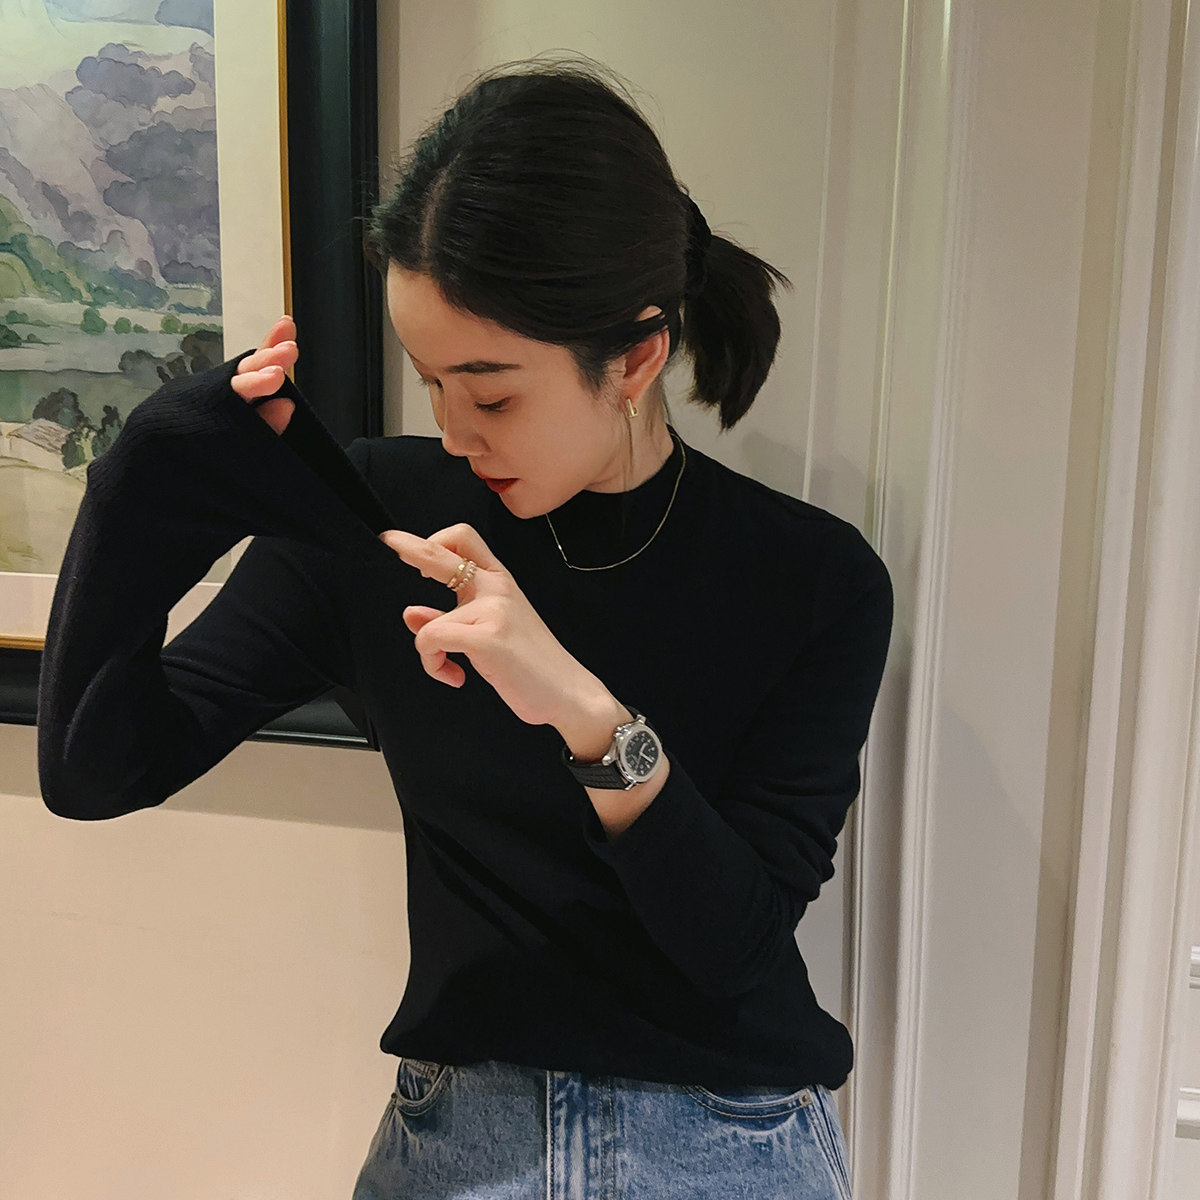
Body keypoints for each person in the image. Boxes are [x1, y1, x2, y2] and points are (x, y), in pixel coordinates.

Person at [38, 58, 891, 1200]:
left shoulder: (814, 580)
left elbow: (732, 950)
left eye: (492, 394)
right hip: (457, 1146)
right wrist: (141, 484)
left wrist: (585, 717)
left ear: (636, 357)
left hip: (723, 1145)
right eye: (430, 382)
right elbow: (96, 770)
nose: (454, 433)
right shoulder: (380, 526)